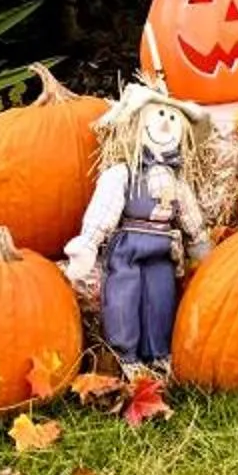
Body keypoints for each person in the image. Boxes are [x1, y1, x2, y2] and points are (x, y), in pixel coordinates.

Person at [65, 91, 212, 375]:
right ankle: (125, 354)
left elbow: (189, 214)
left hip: (163, 248)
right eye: (159, 116)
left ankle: (158, 351)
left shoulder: (176, 180)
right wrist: (88, 243)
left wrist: (200, 243)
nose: (166, 123)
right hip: (129, 245)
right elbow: (105, 209)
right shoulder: (122, 174)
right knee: (124, 298)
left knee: (161, 298)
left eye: (172, 118)